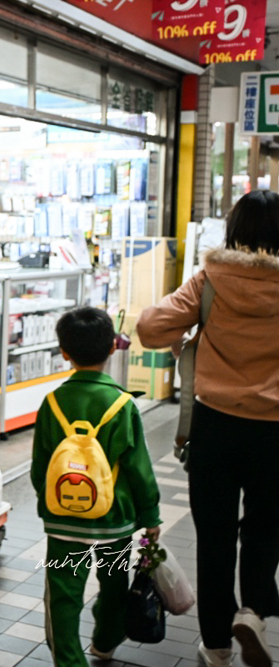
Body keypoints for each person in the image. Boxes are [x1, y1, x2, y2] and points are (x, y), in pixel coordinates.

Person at [137, 189, 279, 667]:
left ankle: (216, 647)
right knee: (266, 529)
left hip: (215, 427)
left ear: (234, 229)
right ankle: (254, 612)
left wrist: (190, 337)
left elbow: (150, 328)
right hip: (275, 433)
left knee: (214, 536)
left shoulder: (210, 280)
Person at [30, 307, 161, 667]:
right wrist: (150, 514)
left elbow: (40, 466)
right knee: (115, 585)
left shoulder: (52, 403)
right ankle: (104, 642)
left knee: (63, 596)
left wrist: (48, 504)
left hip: (64, 520)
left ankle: (70, 661)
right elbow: (138, 468)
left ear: (64, 352)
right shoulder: (122, 405)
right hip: (114, 521)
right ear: (113, 348)